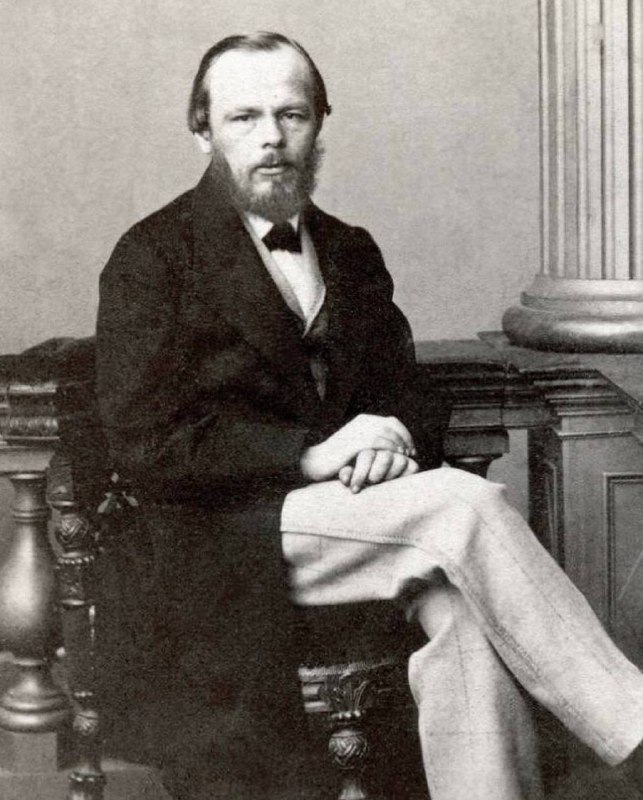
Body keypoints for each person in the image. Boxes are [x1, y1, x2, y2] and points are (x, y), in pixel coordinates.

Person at [95, 31, 643, 800]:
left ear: (319, 124)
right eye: (243, 117)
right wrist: (309, 453)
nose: (271, 138)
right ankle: (633, 732)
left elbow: (407, 391)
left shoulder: (350, 250)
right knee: (463, 507)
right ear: (202, 132)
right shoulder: (151, 257)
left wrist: (392, 439)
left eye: (291, 115)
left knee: (462, 613)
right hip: (223, 539)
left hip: (353, 521)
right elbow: (144, 442)